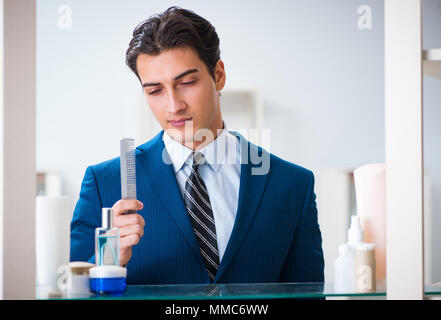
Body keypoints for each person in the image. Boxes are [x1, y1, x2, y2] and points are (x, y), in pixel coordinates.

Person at [70, 6, 324, 284]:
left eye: (187, 82)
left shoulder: (292, 184)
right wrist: (107, 260)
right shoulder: (104, 183)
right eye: (155, 91)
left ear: (219, 75)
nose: (174, 105)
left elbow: (307, 292)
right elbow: (73, 289)